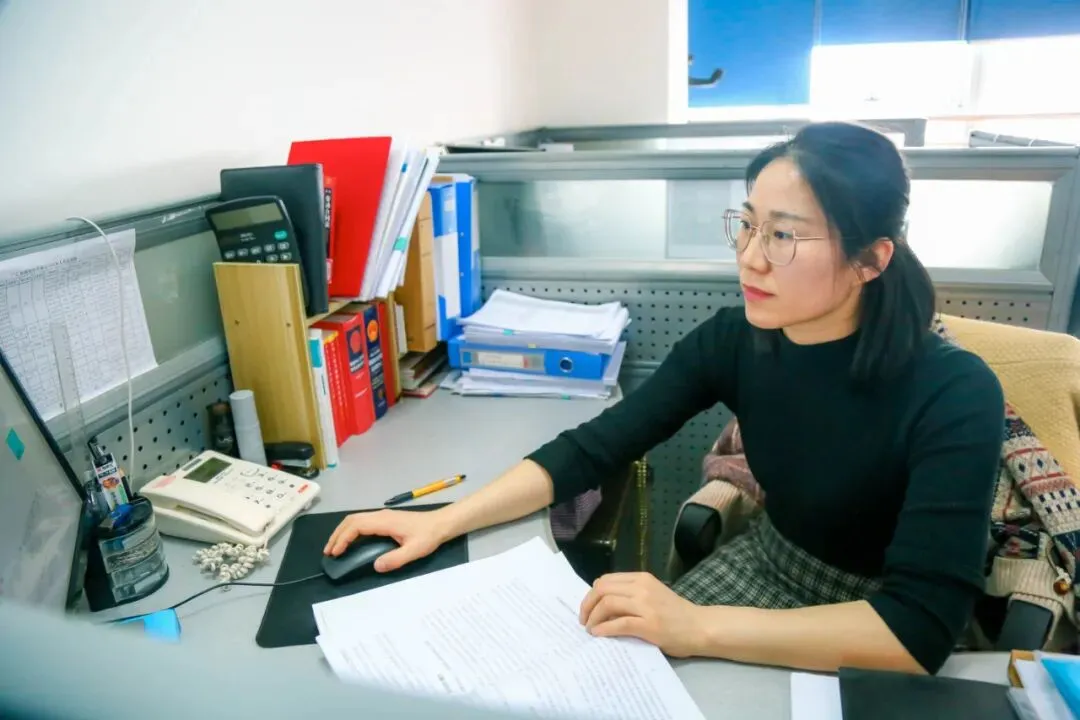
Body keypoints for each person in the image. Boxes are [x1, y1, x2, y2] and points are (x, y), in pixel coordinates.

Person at [324, 122, 1005, 676]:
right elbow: (595, 447)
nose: (750, 257)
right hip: (764, 567)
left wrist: (696, 626)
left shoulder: (954, 392)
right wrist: (444, 521)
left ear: (872, 259)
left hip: (869, 627)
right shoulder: (739, 338)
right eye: (747, 224)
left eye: (783, 235)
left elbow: (917, 630)